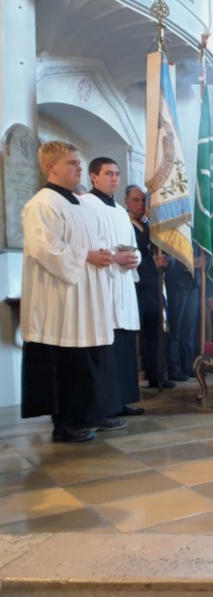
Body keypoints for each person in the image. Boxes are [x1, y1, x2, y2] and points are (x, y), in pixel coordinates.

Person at [20, 141, 126, 442]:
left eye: (80, 163)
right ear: (51, 167)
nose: (80, 168)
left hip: (87, 295)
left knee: (88, 357)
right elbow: (46, 249)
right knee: (65, 362)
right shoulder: (42, 204)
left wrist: (105, 254)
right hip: (61, 299)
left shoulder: (79, 204)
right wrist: (86, 256)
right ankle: (65, 423)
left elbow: (97, 241)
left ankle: (88, 413)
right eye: (72, 163)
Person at [83, 158, 145, 416]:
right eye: (108, 173)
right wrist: (114, 257)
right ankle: (104, 404)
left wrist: (134, 258)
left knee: (123, 344)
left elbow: (133, 245)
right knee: (105, 346)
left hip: (123, 284)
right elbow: (86, 245)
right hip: (101, 283)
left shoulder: (120, 211)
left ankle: (121, 400)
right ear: (93, 177)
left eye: (117, 174)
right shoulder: (85, 205)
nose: (115, 179)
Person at [124, 185, 175, 390]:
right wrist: (152, 227)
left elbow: (164, 250)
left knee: (156, 332)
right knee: (132, 333)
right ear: (126, 201)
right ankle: (129, 380)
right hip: (135, 286)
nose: (140, 205)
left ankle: (157, 375)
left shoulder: (149, 224)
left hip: (154, 284)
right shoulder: (124, 222)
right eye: (136, 200)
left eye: (144, 201)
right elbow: (135, 244)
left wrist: (167, 262)